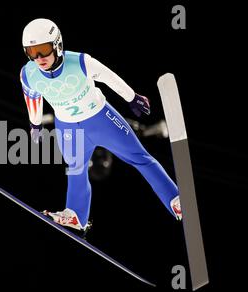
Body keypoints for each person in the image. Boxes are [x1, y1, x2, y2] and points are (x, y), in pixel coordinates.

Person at [20, 18, 182, 231]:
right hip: (68, 127)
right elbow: (32, 99)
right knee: (76, 169)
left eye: (43, 49)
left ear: (57, 45)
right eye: (32, 52)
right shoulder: (28, 74)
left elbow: (109, 77)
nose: (39, 58)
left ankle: (176, 200)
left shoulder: (79, 62)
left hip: (100, 119)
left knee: (139, 157)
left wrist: (132, 97)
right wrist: (35, 125)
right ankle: (76, 215)